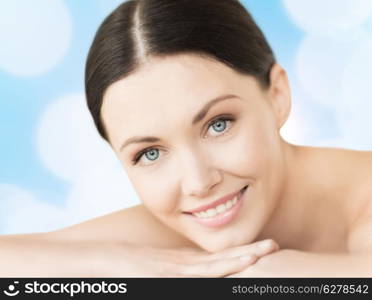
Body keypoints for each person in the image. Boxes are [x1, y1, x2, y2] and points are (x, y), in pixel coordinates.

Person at [1, 0, 371, 277]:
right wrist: (116, 262)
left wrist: (268, 273)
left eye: (218, 124)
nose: (197, 183)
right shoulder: (171, 236)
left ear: (277, 95)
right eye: (149, 154)